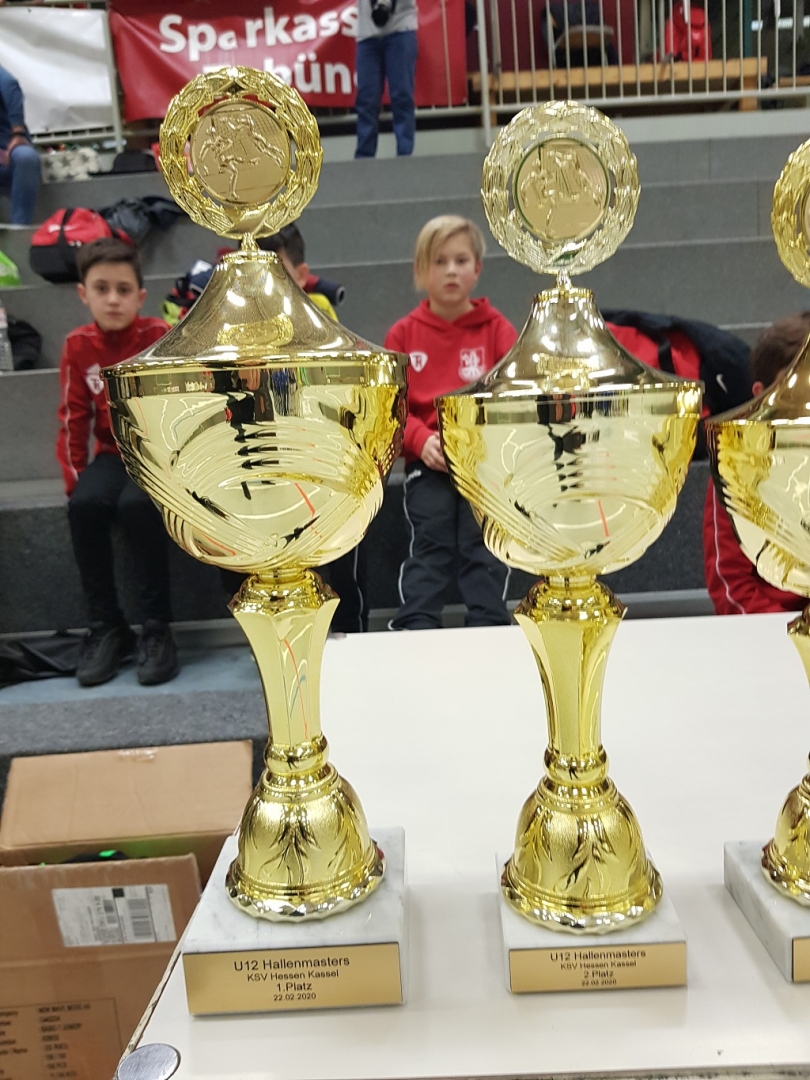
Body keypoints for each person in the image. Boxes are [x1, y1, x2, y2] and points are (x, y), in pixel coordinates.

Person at [220, 225, 369, 633]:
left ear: (301, 276)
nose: (262, 291)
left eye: (276, 275)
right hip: (253, 464)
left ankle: (349, 633)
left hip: (319, 459)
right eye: (250, 279)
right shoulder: (225, 329)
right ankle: (266, 638)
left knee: (343, 542)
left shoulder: (322, 322)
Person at [385, 215, 518, 630]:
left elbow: (511, 400)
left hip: (483, 465)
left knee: (483, 542)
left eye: (461, 261)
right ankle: (417, 622)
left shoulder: (498, 331)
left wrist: (479, 445)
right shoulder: (402, 336)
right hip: (428, 463)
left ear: (477, 269)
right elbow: (391, 410)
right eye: (439, 261)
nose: (451, 271)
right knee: (432, 538)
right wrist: (420, 440)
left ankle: (489, 623)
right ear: (421, 271)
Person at [56, 238, 179, 686]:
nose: (113, 299)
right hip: (111, 454)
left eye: (123, 290)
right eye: (102, 288)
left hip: (156, 454)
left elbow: (179, 409)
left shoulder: (159, 337)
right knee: (85, 506)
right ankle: (107, 626)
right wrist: (76, 480)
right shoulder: (77, 345)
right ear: (83, 293)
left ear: (140, 297)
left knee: (136, 505)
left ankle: (157, 627)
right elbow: (73, 417)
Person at [703, 312, 810, 615]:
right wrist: (787, 632)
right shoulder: (734, 469)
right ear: (760, 396)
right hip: (770, 631)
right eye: (793, 393)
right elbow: (730, 585)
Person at [355, 0, 418, 159]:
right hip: (367, 33)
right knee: (366, 100)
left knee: (402, 96)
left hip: (401, 28)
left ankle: (405, 157)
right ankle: (363, 160)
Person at [0, 64, 41, 225]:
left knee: (26, 157)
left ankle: (20, 229)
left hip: (8, 150)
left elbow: (10, 85)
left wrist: (17, 132)